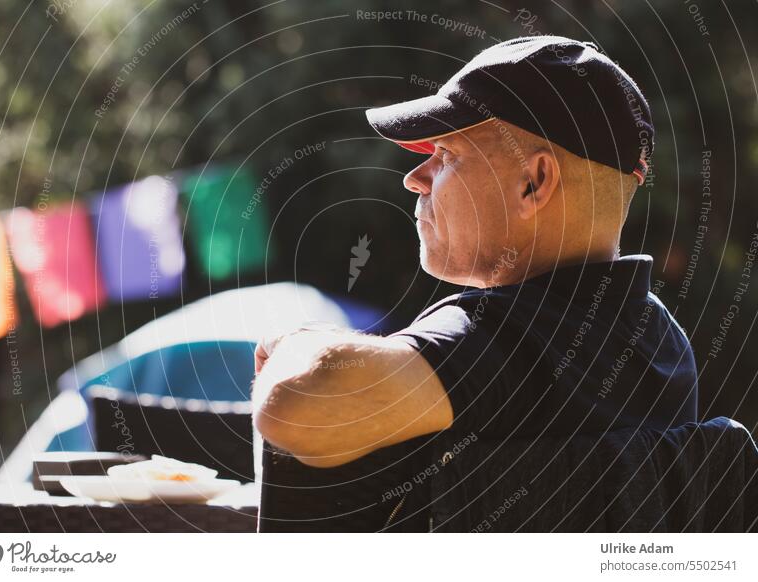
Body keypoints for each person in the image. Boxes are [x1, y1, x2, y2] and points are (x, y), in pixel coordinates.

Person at [252, 36, 698, 471]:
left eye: (445, 154)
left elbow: (292, 408)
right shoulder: (663, 345)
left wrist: (297, 343)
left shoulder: (500, 332)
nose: (414, 178)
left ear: (534, 182)